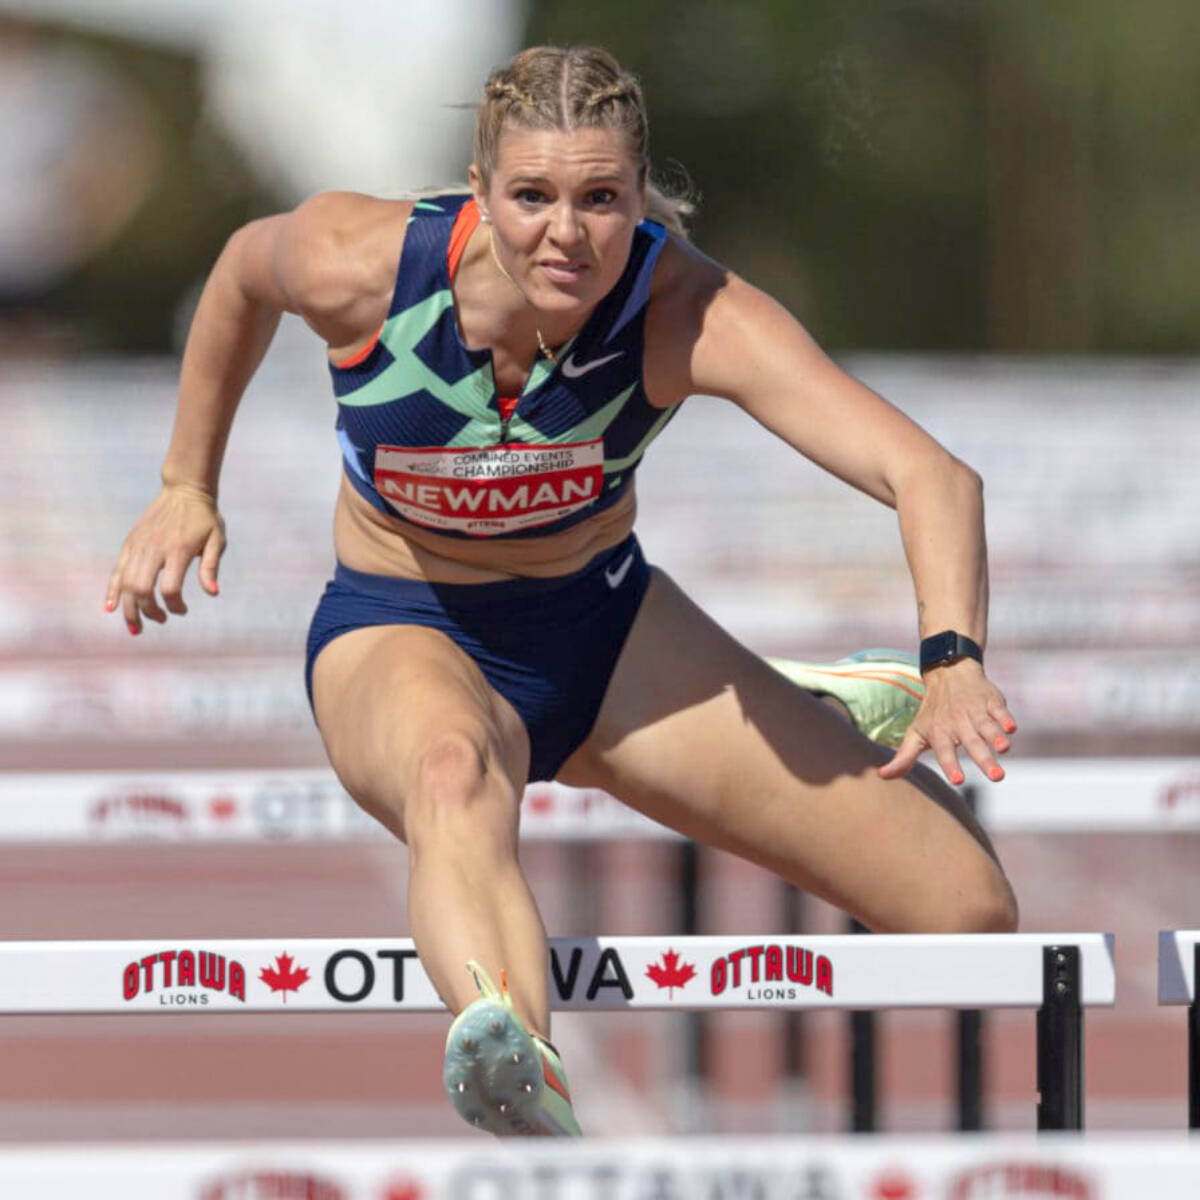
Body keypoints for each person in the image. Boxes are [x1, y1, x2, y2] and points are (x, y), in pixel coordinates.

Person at [106, 45, 1018, 1138]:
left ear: (639, 201)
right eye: (533, 196)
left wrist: (952, 657)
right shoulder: (361, 262)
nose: (566, 234)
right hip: (405, 625)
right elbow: (242, 273)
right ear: (480, 191)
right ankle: (524, 1081)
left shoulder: (687, 310)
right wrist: (183, 482)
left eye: (600, 200)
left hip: (609, 635)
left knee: (966, 910)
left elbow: (930, 474)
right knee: (452, 778)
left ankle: (803, 704)